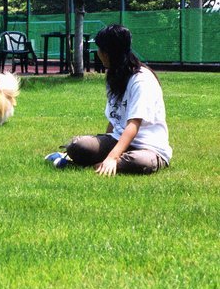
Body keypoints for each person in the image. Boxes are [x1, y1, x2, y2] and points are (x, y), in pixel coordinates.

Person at [49, 24, 171, 176]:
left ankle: (104, 164)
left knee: (141, 163)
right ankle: (75, 158)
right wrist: (102, 146)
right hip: (118, 140)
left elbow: (133, 124)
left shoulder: (141, 80)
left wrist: (112, 157)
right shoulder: (114, 76)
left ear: (110, 53)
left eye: (101, 50)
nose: (98, 54)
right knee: (78, 146)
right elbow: (115, 120)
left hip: (148, 147)